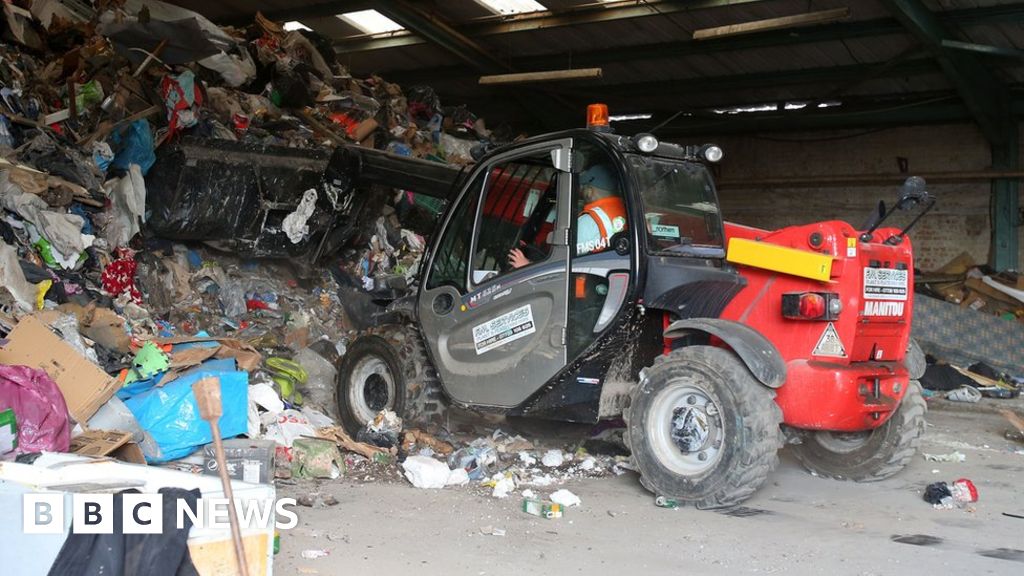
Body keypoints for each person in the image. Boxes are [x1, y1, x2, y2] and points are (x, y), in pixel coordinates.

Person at [507, 163, 626, 268]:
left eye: (583, 188)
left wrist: (527, 265)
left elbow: (562, 265)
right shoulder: (625, 212)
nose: (581, 192)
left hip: (581, 288)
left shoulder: (589, 221)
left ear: (590, 191)